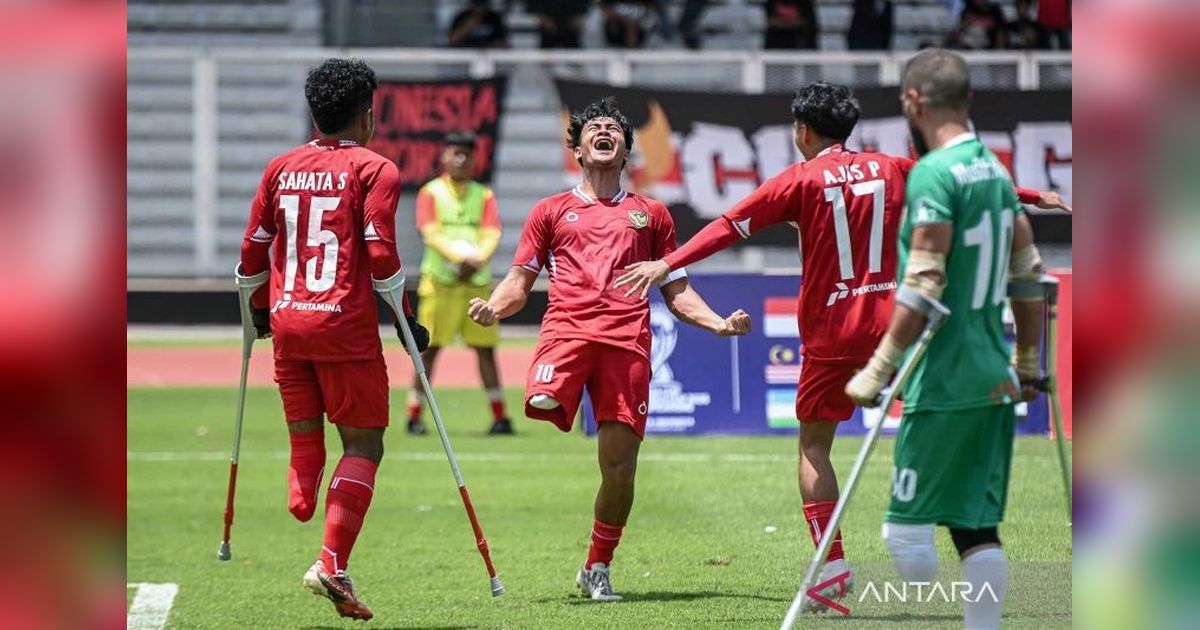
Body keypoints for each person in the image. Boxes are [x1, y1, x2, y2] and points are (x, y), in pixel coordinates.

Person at [614, 82, 1066, 613]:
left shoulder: (797, 180)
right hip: (897, 326)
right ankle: (922, 520)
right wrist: (1034, 196)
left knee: (814, 446)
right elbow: (973, 187)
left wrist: (666, 263)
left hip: (831, 334)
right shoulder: (895, 167)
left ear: (802, 130)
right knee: (926, 423)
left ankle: (832, 570)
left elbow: (728, 226)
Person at [467, 97, 751, 601]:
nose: (604, 132)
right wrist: (494, 308)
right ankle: (554, 387)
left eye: (613, 129)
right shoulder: (550, 212)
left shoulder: (652, 215)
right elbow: (518, 280)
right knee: (542, 397)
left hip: (627, 345)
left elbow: (677, 291)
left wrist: (718, 325)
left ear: (625, 152)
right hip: (567, 333)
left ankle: (597, 565)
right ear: (577, 149)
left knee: (619, 470)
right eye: (592, 128)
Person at [844, 48, 1049, 630]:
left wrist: (879, 368)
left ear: (913, 101)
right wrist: (1028, 361)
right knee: (974, 529)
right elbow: (1030, 274)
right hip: (994, 376)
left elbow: (925, 281)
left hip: (944, 376)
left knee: (905, 536)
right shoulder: (996, 170)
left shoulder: (935, 172)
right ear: (969, 100)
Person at [237, 58, 430, 621]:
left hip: (288, 322)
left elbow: (253, 249)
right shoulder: (377, 169)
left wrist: (256, 308)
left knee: (309, 435)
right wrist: (405, 319)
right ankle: (331, 562)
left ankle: (302, 477)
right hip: (343, 330)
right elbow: (380, 254)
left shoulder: (280, 167)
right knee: (365, 446)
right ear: (367, 115)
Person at [408, 130, 513, 436]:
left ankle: (500, 416)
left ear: (475, 159)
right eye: (456, 153)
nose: (462, 159)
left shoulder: (484, 195)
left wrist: (477, 260)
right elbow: (430, 232)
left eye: (467, 154)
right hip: (441, 285)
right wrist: (460, 258)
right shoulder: (431, 192)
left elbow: (492, 233)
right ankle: (414, 416)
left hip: (476, 287)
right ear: (444, 156)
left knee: (486, 351)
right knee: (429, 350)